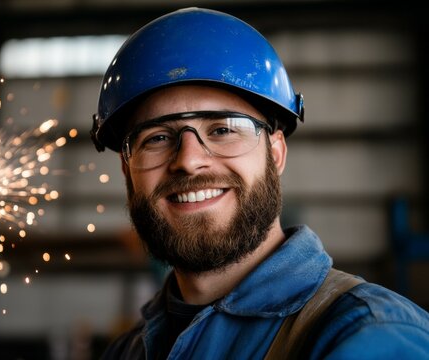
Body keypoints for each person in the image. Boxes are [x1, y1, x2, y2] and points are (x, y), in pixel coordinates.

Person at [90, 7, 429, 359]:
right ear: (127, 169)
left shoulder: (366, 336)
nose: (189, 160)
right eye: (157, 138)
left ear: (277, 153)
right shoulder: (127, 352)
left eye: (222, 129)